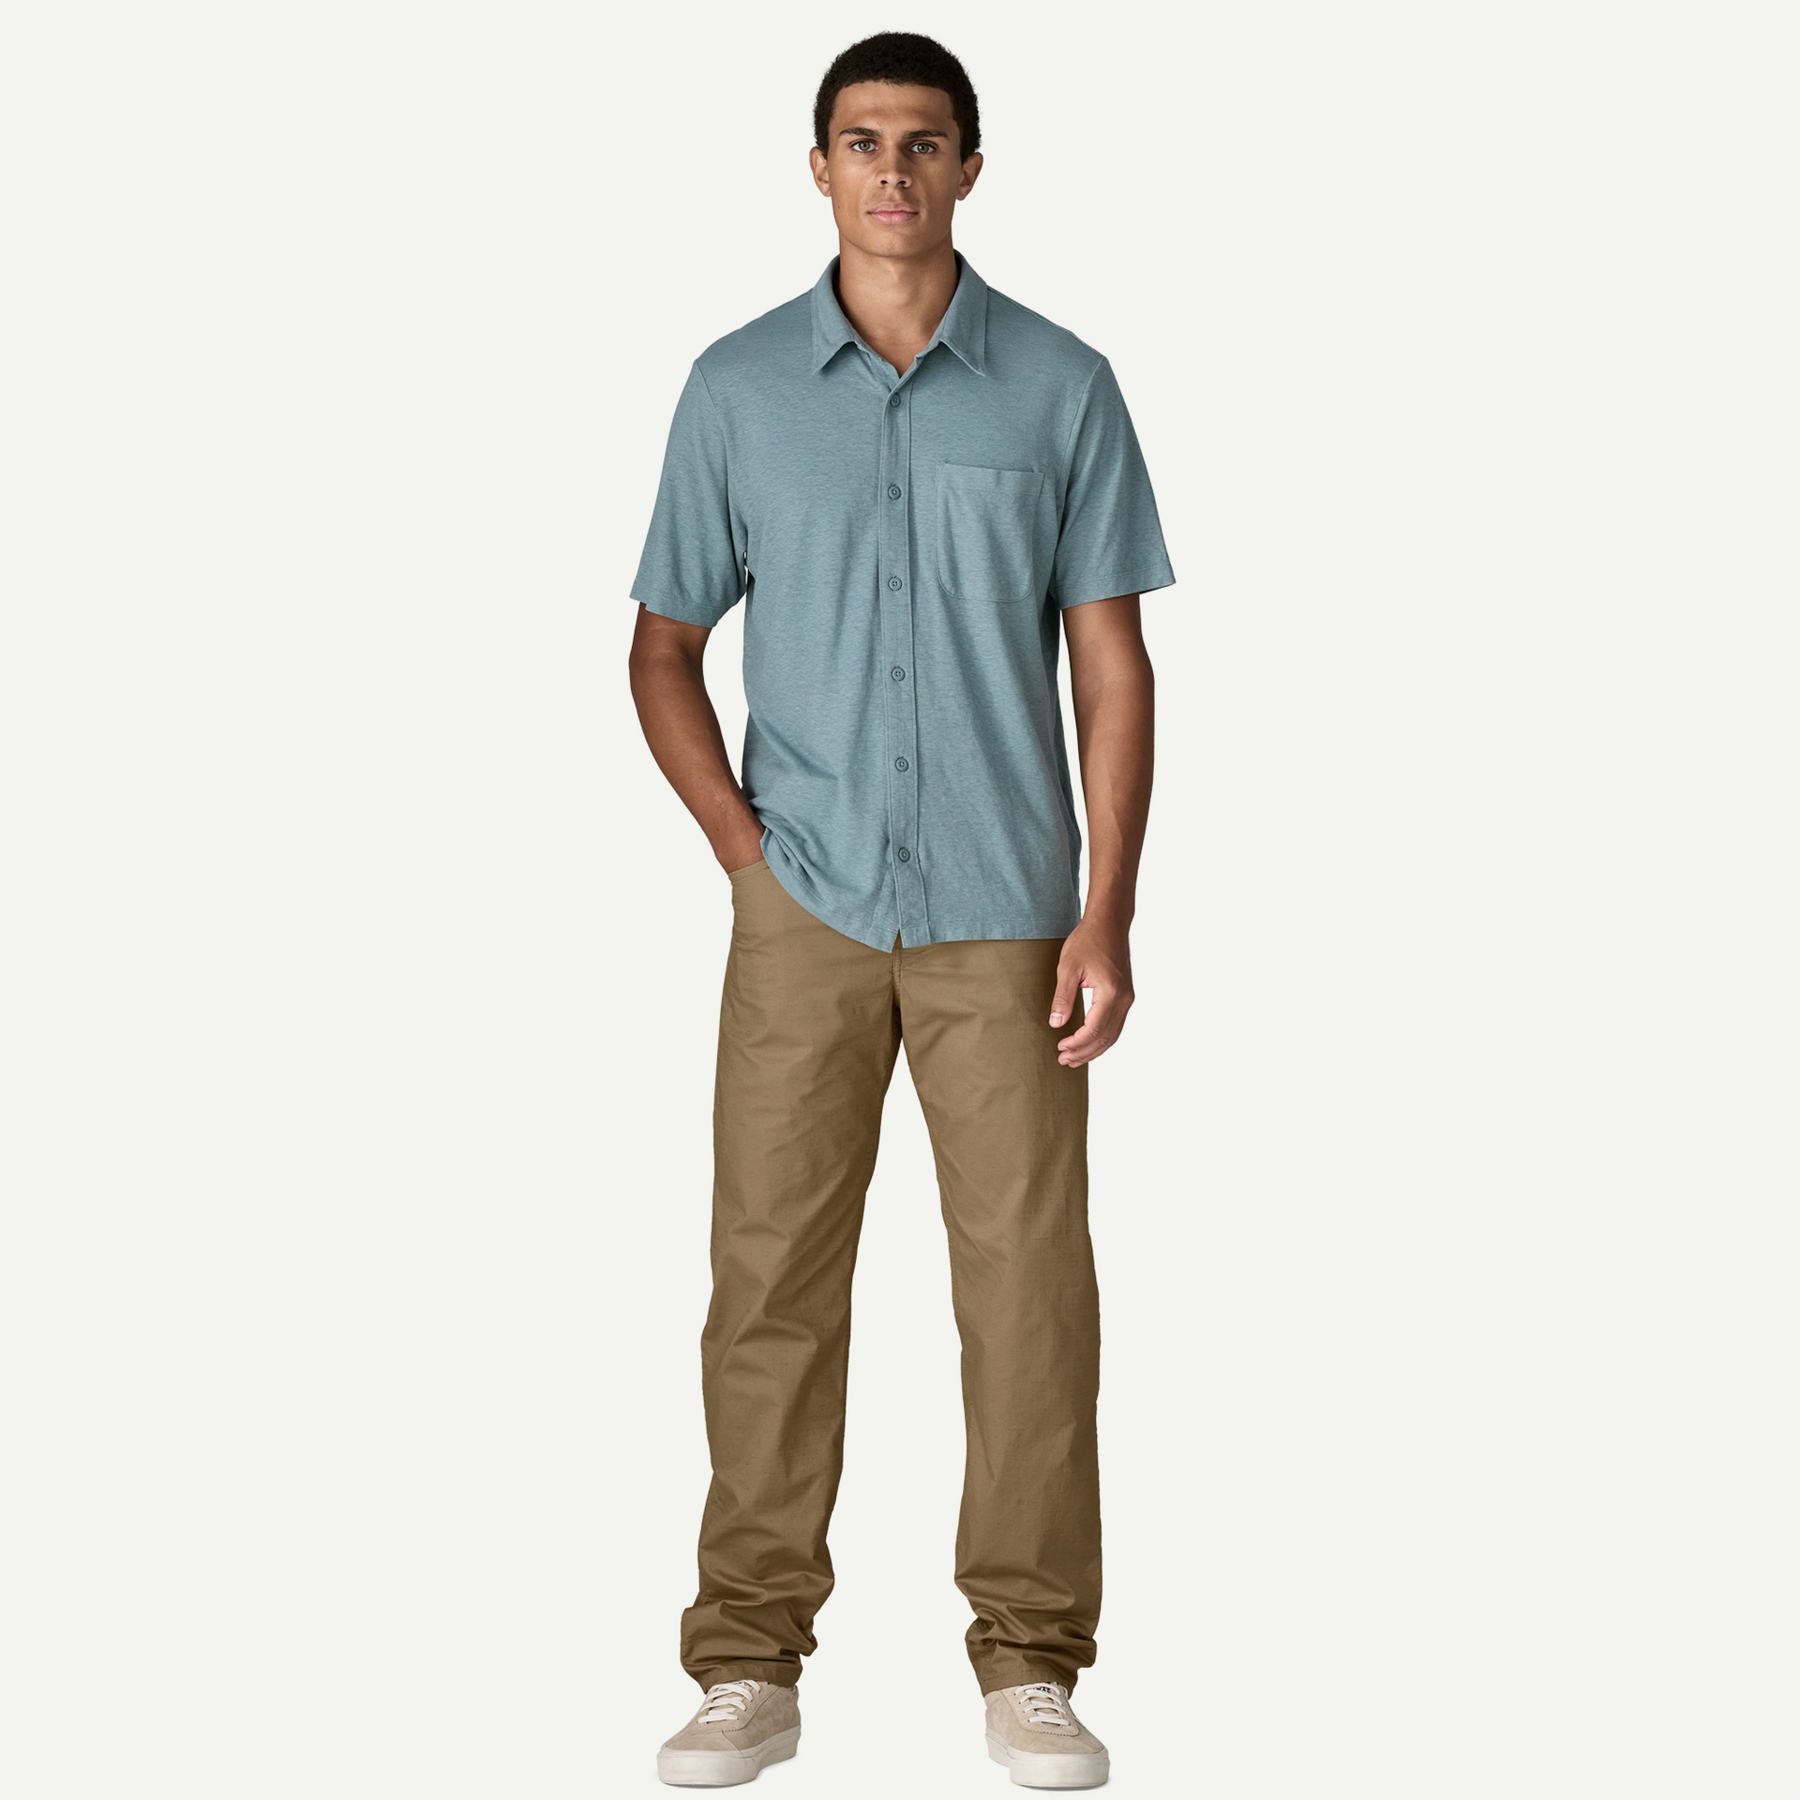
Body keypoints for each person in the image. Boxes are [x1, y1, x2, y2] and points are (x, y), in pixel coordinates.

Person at [628, 30, 1172, 1789]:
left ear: (969, 169)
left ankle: (1031, 1659)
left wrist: (1107, 909)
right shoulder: (733, 389)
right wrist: (742, 848)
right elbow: (661, 647)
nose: (891, 171)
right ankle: (747, 1660)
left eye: (923, 143)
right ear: (819, 168)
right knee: (768, 1280)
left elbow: (1109, 661)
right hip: (805, 903)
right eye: (861, 142)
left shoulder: (1062, 386)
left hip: (1008, 909)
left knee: (1029, 1296)